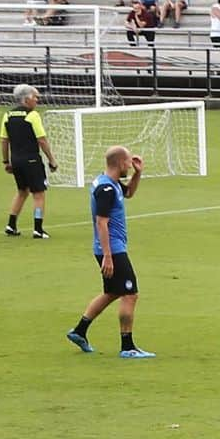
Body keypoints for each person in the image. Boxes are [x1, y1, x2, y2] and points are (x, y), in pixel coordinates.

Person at [65, 146, 154, 358]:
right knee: (130, 294)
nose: (129, 166)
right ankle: (127, 347)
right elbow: (101, 223)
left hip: (110, 248)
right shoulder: (105, 190)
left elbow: (129, 193)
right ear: (120, 163)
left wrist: (138, 173)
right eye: (128, 163)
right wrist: (108, 255)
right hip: (112, 249)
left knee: (113, 292)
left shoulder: (109, 183)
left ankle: (79, 331)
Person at [1, 83, 57, 238]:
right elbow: (42, 140)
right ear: (26, 99)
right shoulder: (32, 116)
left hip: (16, 160)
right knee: (38, 194)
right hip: (31, 159)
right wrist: (52, 160)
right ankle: (38, 229)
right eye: (35, 97)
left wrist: (6, 161)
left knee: (22, 192)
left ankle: (11, 225)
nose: (37, 100)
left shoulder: (7, 115)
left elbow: (4, 140)